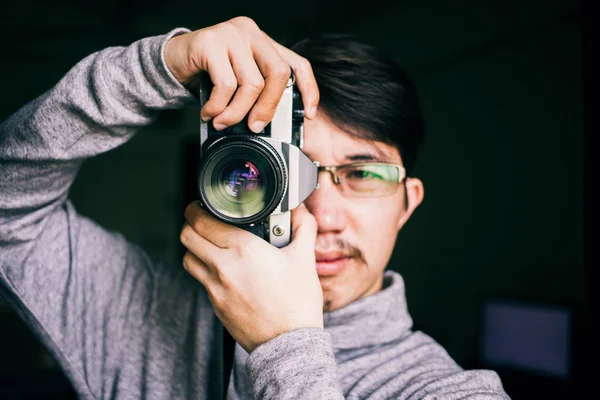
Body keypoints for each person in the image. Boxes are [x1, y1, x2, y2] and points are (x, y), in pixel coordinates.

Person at [0, 16, 510, 399]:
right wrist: (157, 67)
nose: (323, 217)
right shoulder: (141, 312)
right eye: (293, 172)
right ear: (241, 177)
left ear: (407, 203)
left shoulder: (445, 389)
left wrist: (284, 347)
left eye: (364, 174)